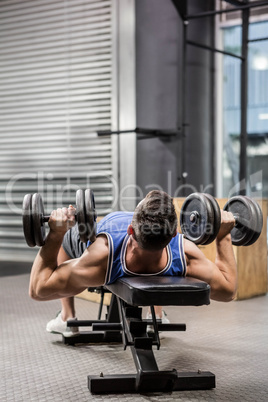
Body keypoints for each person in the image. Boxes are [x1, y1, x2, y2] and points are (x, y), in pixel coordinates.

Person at [29, 190, 237, 337]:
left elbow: (38, 290)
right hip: (152, 245)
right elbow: (228, 291)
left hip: (112, 233)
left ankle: (67, 318)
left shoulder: (100, 257)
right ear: (175, 234)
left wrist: (56, 233)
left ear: (130, 230)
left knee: (67, 241)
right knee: (163, 265)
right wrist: (223, 236)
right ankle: (155, 314)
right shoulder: (185, 252)